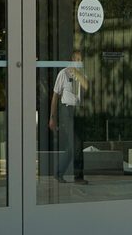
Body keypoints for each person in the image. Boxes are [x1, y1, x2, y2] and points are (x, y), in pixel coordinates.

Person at [48, 46, 88, 184]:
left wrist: (77, 73)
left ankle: (59, 172)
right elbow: (55, 96)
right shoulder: (63, 73)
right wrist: (52, 117)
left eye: (81, 60)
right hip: (67, 111)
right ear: (72, 59)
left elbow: (86, 86)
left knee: (76, 145)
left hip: (79, 110)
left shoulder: (83, 74)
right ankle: (78, 176)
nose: (79, 61)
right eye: (77, 59)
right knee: (76, 143)